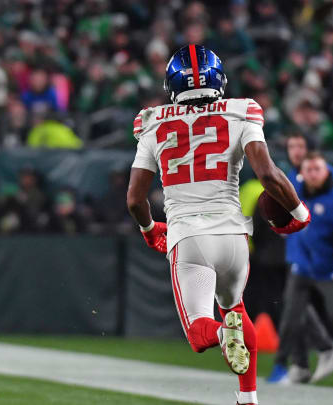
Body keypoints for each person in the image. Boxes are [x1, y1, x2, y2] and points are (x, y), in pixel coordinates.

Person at [126, 45, 309, 405]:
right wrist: (300, 213)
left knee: (200, 332)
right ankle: (248, 398)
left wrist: (150, 231)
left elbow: (134, 199)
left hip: (190, 238)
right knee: (236, 309)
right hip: (234, 238)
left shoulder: (152, 123)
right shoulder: (243, 111)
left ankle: (226, 336)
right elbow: (269, 175)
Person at [273, 152, 333, 386]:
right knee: (290, 317)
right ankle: (284, 366)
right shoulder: (296, 193)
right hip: (303, 266)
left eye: (318, 169)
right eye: (309, 169)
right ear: (302, 173)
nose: (313, 174)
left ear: (327, 171)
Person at [268, 134, 333, 385]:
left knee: (295, 309)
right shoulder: (290, 176)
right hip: (298, 250)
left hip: (323, 255)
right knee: (296, 309)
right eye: (291, 145)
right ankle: (304, 361)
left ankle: (289, 363)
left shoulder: (326, 175)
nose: (295, 151)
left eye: (300, 146)